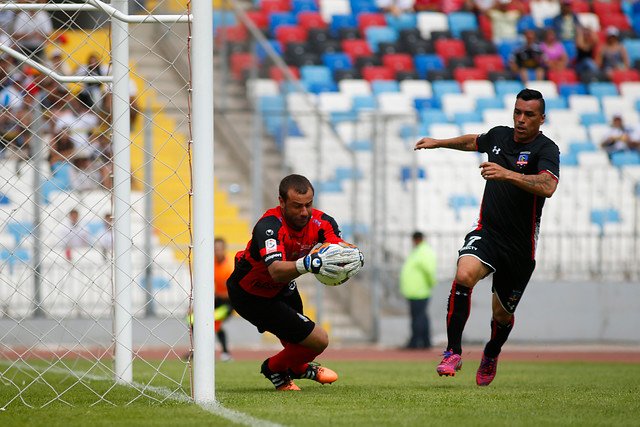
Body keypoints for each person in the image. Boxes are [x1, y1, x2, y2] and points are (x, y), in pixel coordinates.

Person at [414, 88, 560, 386]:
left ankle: (492, 352)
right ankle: (452, 351)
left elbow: (547, 185)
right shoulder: (498, 136)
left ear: (541, 119)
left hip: (520, 248)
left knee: (502, 316)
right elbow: (473, 141)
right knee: (464, 273)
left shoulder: (547, 149)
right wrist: (439, 143)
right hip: (488, 233)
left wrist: (508, 174)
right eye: (517, 112)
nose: (521, 120)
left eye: (528, 115)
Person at [226, 174, 363, 391]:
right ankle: (273, 368)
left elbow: (338, 250)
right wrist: (309, 263)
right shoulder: (269, 226)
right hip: (251, 295)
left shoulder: (323, 223)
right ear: (281, 202)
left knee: (296, 342)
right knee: (318, 340)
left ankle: (298, 369)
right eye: (297, 206)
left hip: (284, 288)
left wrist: (352, 256)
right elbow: (276, 271)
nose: (304, 212)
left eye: (308, 204)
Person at [399, 231, 437, 350]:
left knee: (418, 317)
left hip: (419, 290)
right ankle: (425, 341)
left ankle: (416, 341)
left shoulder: (423, 252)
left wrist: (431, 283)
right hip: (416, 290)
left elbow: (429, 270)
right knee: (421, 316)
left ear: (416, 239)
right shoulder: (419, 251)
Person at [213, 237, 235, 361]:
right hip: (217, 300)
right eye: (215, 249)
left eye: (219, 249)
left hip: (229, 303)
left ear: (224, 250)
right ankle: (225, 353)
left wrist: (218, 294)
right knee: (195, 322)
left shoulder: (229, 267)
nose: (217, 252)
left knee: (214, 321)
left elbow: (233, 292)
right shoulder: (211, 264)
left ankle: (226, 352)